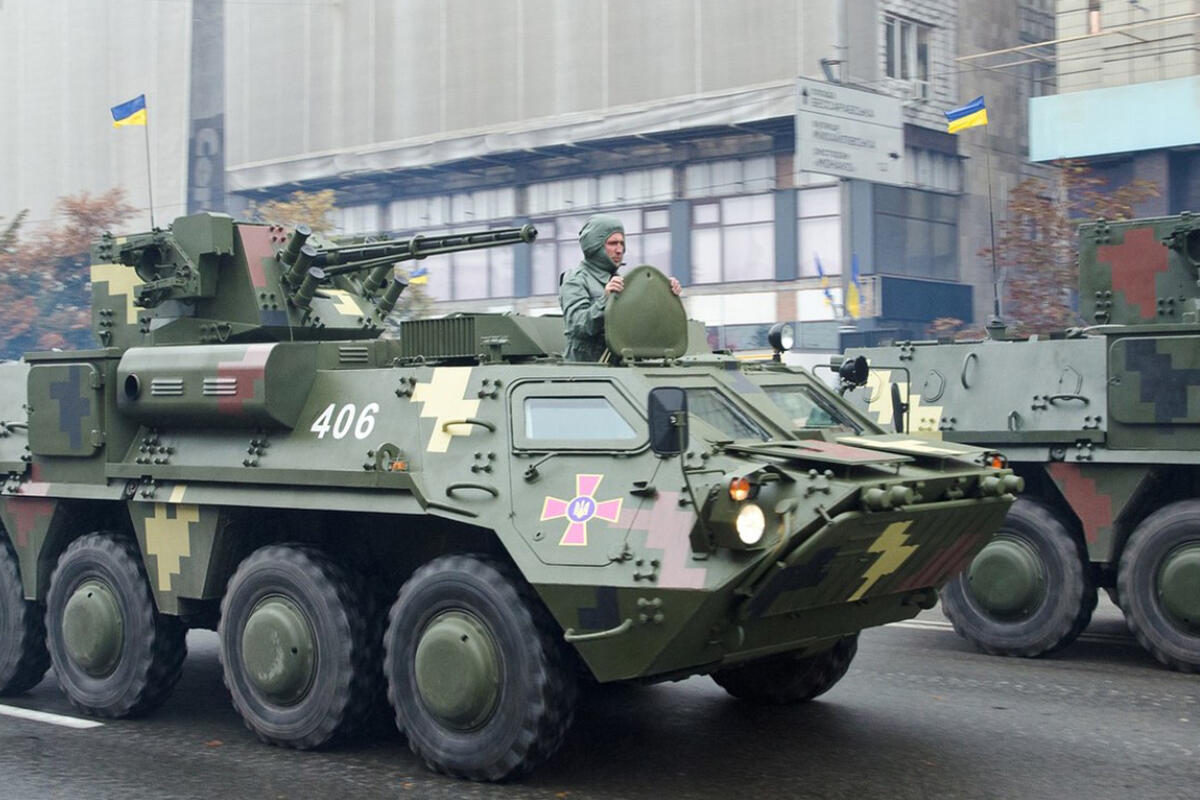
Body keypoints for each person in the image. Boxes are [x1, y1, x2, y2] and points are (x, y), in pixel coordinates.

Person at [559, 213, 681, 362]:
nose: (619, 250)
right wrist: (605, 301)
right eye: (612, 243)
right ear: (594, 245)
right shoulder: (575, 279)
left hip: (623, 364)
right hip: (586, 368)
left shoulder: (624, 282)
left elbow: (642, 326)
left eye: (622, 243)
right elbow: (577, 326)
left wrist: (664, 294)